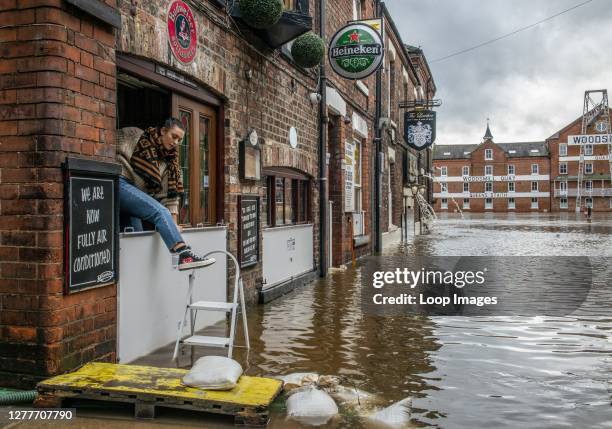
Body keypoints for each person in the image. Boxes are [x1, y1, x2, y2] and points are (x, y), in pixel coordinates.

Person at [117, 118, 215, 271]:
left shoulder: (169, 163)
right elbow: (105, 141)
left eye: (180, 140)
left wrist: (173, 224)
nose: (176, 142)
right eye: (174, 136)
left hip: (134, 194)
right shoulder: (134, 134)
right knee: (159, 212)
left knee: (135, 238)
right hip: (117, 182)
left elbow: (170, 196)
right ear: (163, 131)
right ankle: (183, 254)